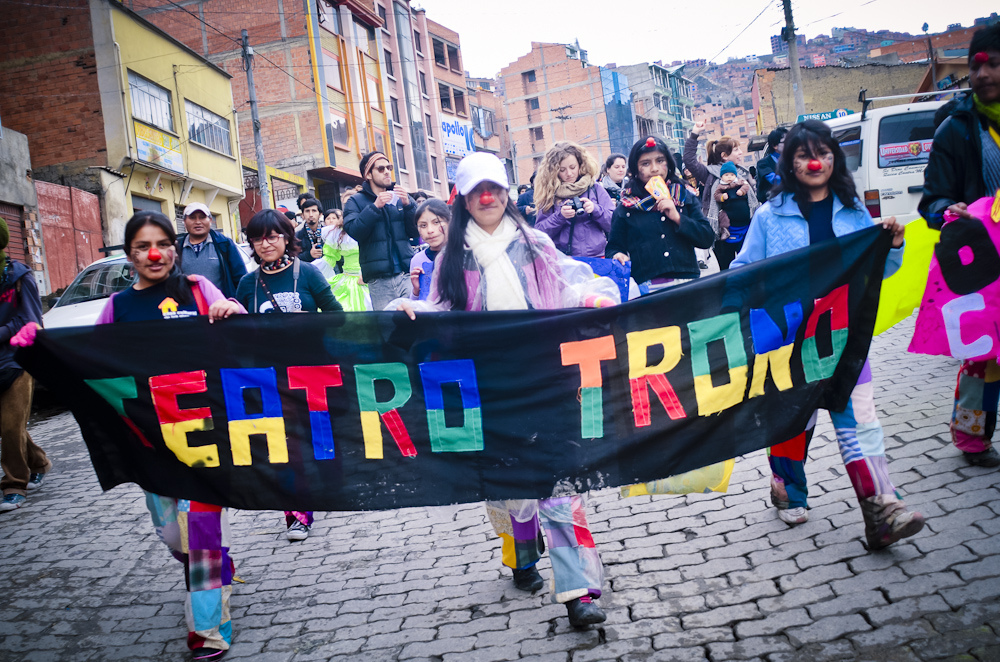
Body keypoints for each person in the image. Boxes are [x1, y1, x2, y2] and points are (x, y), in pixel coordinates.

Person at [396, 152, 619, 628]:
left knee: (558, 484)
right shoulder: (453, 257)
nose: (487, 198)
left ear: (505, 193)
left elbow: (565, 287)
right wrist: (414, 310)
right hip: (489, 386)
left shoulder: (535, 243)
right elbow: (441, 306)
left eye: (494, 188)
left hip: (544, 377)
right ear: (463, 200)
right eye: (477, 191)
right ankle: (521, 555)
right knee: (511, 483)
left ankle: (578, 591)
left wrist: (592, 297)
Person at [47, 211, 242, 658]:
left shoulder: (198, 289)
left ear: (174, 248)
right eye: (142, 247)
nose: (155, 254)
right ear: (130, 255)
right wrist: (41, 349)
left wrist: (232, 312)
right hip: (151, 440)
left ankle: (208, 632)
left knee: (201, 534)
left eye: (162, 244)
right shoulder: (117, 308)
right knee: (174, 536)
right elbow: (92, 364)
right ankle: (216, 566)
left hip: (205, 434)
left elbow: (246, 346)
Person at [730, 120, 925, 549]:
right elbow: (743, 271)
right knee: (793, 421)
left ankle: (882, 509)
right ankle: (788, 488)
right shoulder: (769, 216)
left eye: (822, 153)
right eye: (803, 155)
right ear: (790, 163)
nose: (814, 162)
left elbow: (879, 272)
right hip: (788, 340)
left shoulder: (853, 211)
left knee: (860, 420)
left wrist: (893, 246)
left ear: (834, 158)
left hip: (844, 335)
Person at [919, 24, 1000, 469]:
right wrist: (949, 209)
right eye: (976, 66)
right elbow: (932, 200)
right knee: (983, 358)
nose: (982, 74)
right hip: (983, 262)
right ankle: (971, 437)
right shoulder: (955, 130)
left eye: (994, 64)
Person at [237, 210, 343, 542]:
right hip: (271, 378)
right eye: (257, 238)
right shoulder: (247, 284)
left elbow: (338, 317)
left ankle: (330, 484)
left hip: (312, 373)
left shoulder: (308, 273)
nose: (265, 244)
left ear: (286, 238)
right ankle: (298, 514)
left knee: (320, 438)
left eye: (272, 236)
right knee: (286, 444)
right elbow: (236, 331)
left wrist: (307, 322)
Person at [606, 136, 715, 293]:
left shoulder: (684, 196)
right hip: (648, 288)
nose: (654, 169)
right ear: (635, 169)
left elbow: (706, 238)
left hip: (687, 283)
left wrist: (678, 218)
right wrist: (618, 255)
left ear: (668, 164)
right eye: (645, 163)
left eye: (660, 161)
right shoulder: (626, 207)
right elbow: (613, 247)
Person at [0, 219, 49, 513]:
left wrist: (3, 333)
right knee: (8, 425)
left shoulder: (19, 276)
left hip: (17, 359)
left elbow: (31, 320)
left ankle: (14, 484)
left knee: (10, 425)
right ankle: (39, 462)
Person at [343, 151, 418, 311]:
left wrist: (409, 205)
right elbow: (354, 231)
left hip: (406, 274)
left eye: (389, 168)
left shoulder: (400, 195)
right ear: (368, 174)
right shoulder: (355, 201)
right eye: (381, 169)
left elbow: (416, 232)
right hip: (379, 280)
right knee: (387, 324)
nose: (387, 172)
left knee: (416, 319)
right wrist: (375, 207)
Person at [534, 142, 614, 258]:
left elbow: (614, 224)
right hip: (565, 261)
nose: (569, 174)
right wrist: (560, 216)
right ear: (554, 171)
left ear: (580, 165)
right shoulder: (550, 194)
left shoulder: (594, 188)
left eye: (573, 167)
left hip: (598, 258)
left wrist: (595, 210)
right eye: (562, 170)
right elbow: (539, 234)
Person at [684, 124, 757, 237]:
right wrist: (695, 133)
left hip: (749, 231)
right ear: (725, 156)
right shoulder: (710, 174)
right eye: (736, 150)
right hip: (724, 235)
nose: (741, 152)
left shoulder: (743, 173)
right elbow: (689, 160)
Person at [175, 203, 248, 299]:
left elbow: (241, 279)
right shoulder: (177, 247)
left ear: (210, 220)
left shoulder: (224, 244)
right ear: (184, 222)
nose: (198, 222)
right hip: (189, 305)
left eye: (202, 217)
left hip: (221, 305)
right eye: (192, 218)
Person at [322, 209, 371, 311]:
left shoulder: (371, 228)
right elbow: (329, 257)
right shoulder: (338, 233)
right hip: (346, 280)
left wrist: (368, 273)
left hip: (369, 279)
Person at [713, 162, 755, 270]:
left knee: (745, 256)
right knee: (728, 258)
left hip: (744, 224)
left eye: (732, 175)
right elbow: (716, 195)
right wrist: (722, 197)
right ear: (721, 176)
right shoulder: (720, 186)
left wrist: (742, 191)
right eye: (726, 175)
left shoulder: (740, 182)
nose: (729, 177)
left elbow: (746, 186)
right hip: (730, 225)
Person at [409, 199, 449, 300]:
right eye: (423, 225)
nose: (430, 230)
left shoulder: (464, 255)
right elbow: (415, 305)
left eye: (436, 222)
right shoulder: (417, 260)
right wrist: (416, 290)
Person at [756, 127, 788, 203]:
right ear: (775, 145)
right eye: (786, 142)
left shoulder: (791, 160)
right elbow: (775, 180)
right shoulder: (763, 163)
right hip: (771, 203)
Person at [295, 198, 325, 263]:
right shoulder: (297, 237)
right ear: (302, 215)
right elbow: (293, 259)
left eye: (314, 211)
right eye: (307, 211)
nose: (311, 214)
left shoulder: (328, 233)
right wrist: (309, 255)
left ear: (320, 214)